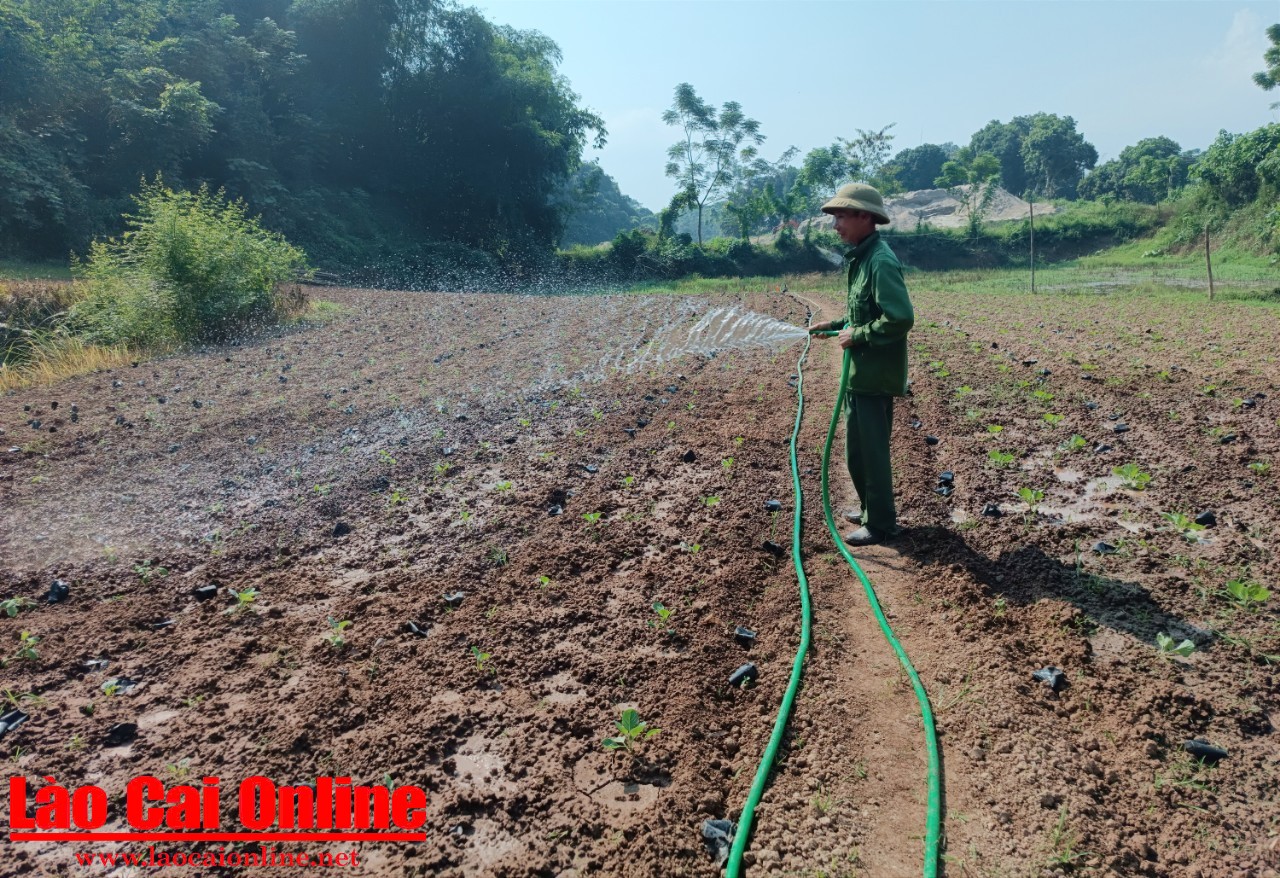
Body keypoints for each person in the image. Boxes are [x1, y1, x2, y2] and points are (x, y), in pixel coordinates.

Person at [808, 183, 914, 545]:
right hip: (860, 374)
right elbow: (861, 313)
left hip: (874, 374)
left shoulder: (880, 261)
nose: (835, 225)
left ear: (865, 217)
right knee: (857, 453)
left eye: (841, 217)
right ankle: (870, 508)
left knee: (871, 453)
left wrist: (859, 336)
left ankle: (882, 523)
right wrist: (836, 326)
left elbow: (899, 317)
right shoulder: (861, 259)